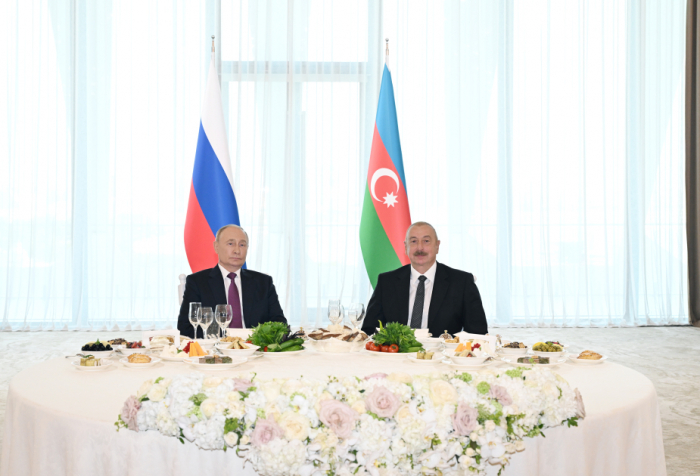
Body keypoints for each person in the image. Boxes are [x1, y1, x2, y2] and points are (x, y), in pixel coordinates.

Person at [361, 221, 487, 337]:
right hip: (397, 356)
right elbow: (369, 330)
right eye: (414, 241)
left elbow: (477, 332)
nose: (420, 248)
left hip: (442, 357)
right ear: (406, 247)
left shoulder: (462, 282)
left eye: (426, 241)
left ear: (437, 246)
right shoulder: (387, 282)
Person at [178, 225, 287, 338]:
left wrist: (255, 339)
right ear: (216, 247)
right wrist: (225, 340)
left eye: (242, 245)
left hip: (255, 349)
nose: (237, 250)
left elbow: (279, 323)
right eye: (230, 244)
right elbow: (185, 327)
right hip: (215, 350)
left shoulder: (263, 282)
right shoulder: (198, 282)